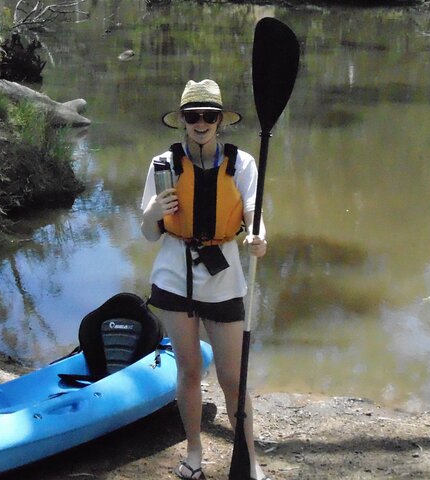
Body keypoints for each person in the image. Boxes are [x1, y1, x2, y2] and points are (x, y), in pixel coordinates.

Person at [140, 79, 270, 480]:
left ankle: (248, 458)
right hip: (174, 276)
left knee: (234, 378)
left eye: (208, 116)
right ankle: (194, 451)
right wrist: (151, 212)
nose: (200, 123)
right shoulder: (163, 164)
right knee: (190, 371)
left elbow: (253, 208)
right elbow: (148, 232)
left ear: (219, 121)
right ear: (181, 121)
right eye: (192, 116)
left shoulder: (242, 163)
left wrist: (258, 234)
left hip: (224, 278)